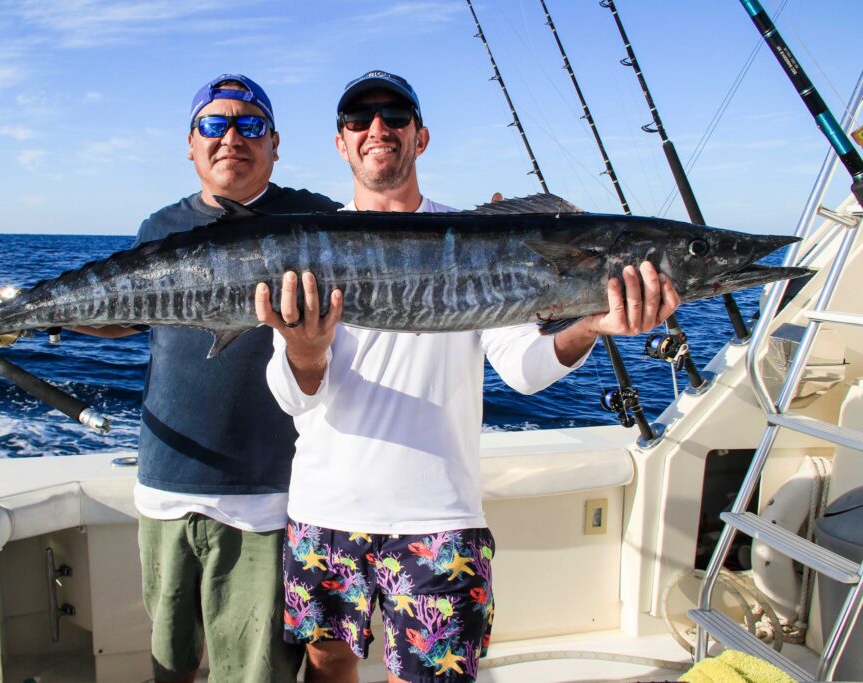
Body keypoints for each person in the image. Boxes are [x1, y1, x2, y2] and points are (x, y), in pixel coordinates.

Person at [254, 70, 680, 683]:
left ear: (420, 137)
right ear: (341, 143)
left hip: (440, 520)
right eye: (359, 119)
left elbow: (525, 369)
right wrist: (307, 350)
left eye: (396, 116)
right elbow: (292, 396)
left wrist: (589, 325)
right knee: (326, 667)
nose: (378, 128)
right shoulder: (307, 248)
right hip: (324, 510)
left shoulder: (482, 241)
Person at [79, 74, 339, 683]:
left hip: (268, 495)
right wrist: (25, 316)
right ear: (190, 143)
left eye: (250, 125)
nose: (231, 138)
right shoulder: (161, 226)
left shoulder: (320, 217)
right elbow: (126, 319)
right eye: (214, 124)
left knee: (254, 672)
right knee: (170, 665)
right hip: (165, 483)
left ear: (275, 144)